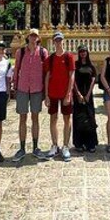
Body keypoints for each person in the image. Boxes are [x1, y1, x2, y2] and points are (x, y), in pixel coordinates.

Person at [11, 29, 49, 161]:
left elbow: (46, 73)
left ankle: (35, 147)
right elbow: (16, 69)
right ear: (28, 37)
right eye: (31, 36)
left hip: (37, 88)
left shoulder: (43, 52)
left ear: (38, 38)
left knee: (35, 118)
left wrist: (46, 90)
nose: (33, 38)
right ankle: (22, 148)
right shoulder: (20, 52)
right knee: (22, 118)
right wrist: (14, 86)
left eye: (35, 36)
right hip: (22, 87)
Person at [45, 32, 76, 161]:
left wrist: (69, 93)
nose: (58, 42)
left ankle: (65, 146)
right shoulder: (50, 58)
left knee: (67, 119)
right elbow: (47, 77)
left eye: (60, 40)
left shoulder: (69, 56)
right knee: (53, 118)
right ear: (53, 42)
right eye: (56, 40)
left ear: (63, 41)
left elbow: (71, 76)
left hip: (64, 93)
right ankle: (54, 144)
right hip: (52, 92)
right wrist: (46, 95)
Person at [72, 45, 99, 153]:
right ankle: (79, 143)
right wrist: (78, 94)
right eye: (81, 51)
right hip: (78, 94)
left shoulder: (91, 66)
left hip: (88, 95)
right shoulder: (76, 65)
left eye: (84, 51)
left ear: (87, 53)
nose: (83, 53)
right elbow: (72, 79)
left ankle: (90, 143)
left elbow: (93, 80)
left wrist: (88, 94)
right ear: (79, 53)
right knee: (78, 117)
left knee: (90, 117)